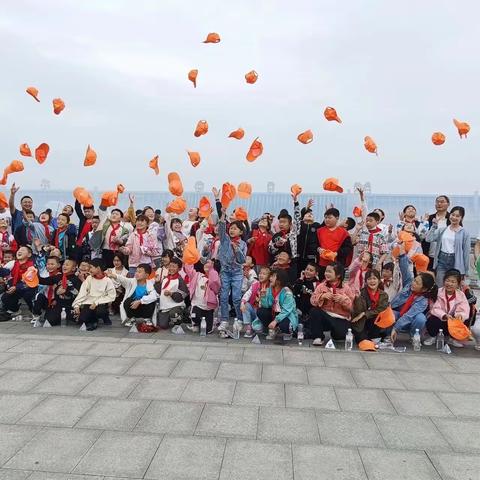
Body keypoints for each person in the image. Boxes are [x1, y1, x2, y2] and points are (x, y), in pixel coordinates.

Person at [390, 243, 438, 342]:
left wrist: (396, 328)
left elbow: (409, 316)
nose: (413, 283)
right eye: (415, 280)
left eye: (417, 283)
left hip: (409, 319)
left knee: (421, 319)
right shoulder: (408, 284)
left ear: (424, 289)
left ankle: (413, 336)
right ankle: (387, 334)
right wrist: (402, 252)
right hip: (398, 313)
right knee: (389, 314)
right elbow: (405, 269)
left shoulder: (423, 301)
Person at [309, 262, 356, 346]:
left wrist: (343, 299)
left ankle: (336, 334)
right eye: (326, 271)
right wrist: (322, 296)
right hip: (325, 315)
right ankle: (318, 337)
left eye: (330, 272)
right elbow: (312, 301)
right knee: (314, 311)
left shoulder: (346, 288)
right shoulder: (321, 286)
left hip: (340, 317)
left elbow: (352, 308)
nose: (326, 273)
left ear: (338, 275)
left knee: (340, 337)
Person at [217, 208, 247, 333]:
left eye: (235, 228)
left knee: (236, 297)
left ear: (241, 231)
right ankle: (224, 320)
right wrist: (223, 214)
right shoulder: (225, 239)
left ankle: (239, 320)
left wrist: (236, 249)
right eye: (231, 228)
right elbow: (221, 228)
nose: (232, 230)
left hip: (236, 273)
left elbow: (242, 260)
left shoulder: (243, 244)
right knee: (223, 296)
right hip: (225, 271)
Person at [423, 269, 470, 347]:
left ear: (458, 284)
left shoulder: (461, 295)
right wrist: (444, 315)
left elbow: (464, 309)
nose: (449, 284)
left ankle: (452, 339)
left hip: (452, 321)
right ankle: (433, 336)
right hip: (440, 319)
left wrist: (460, 315)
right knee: (433, 319)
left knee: (462, 320)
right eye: (447, 280)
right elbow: (434, 308)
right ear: (444, 281)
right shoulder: (438, 292)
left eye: (453, 282)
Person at [425, 206, 470, 286]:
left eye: (457, 216)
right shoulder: (443, 230)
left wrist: (466, 271)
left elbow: (466, 253)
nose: (454, 217)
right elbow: (428, 239)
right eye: (453, 215)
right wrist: (434, 226)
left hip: (455, 261)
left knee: (452, 287)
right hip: (441, 260)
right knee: (439, 286)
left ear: (461, 218)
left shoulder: (464, 232)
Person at [72, 258, 116, 330]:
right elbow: (82, 292)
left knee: (100, 311)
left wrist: (96, 302)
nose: (89, 270)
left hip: (101, 303)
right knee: (82, 319)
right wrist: (77, 305)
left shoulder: (107, 280)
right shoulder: (89, 278)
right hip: (89, 302)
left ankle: (105, 317)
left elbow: (111, 296)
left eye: (91, 267)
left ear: (98, 268)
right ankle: (93, 319)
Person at [34, 258, 81, 325]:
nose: (64, 266)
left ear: (73, 268)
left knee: (79, 320)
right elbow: (43, 281)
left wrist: (66, 291)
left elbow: (77, 293)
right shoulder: (58, 277)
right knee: (49, 320)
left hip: (70, 306)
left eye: (67, 265)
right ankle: (57, 316)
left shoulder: (76, 279)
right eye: (64, 264)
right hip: (58, 306)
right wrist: (35, 274)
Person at [351, 269, 391, 342]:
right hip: (361, 322)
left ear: (379, 281)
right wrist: (357, 298)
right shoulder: (362, 293)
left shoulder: (384, 295)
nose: (372, 281)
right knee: (362, 340)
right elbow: (358, 311)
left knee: (374, 339)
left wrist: (365, 313)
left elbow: (381, 309)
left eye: (374, 278)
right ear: (366, 281)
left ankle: (380, 335)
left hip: (375, 322)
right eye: (369, 279)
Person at [257, 268, 298, 339]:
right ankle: (272, 329)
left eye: (273, 276)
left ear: (279, 280)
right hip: (274, 313)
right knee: (261, 311)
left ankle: (288, 332)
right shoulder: (270, 289)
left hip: (286, 315)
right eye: (270, 276)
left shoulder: (287, 292)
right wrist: (263, 297)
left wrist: (275, 321)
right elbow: (267, 305)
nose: (270, 278)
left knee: (285, 325)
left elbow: (286, 311)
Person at [185, 259, 221, 334]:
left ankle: (210, 323)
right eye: (206, 263)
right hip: (197, 304)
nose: (206, 264)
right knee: (194, 316)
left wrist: (211, 270)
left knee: (208, 330)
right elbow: (189, 270)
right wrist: (190, 259)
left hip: (208, 307)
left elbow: (214, 284)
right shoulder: (198, 275)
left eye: (209, 263)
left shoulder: (215, 278)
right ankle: (196, 324)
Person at [0, 246, 36, 318]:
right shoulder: (13, 263)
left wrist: (16, 287)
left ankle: (34, 311)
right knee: (5, 297)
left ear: (29, 255)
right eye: (19, 250)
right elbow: (5, 273)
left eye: (22, 250)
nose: (19, 251)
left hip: (27, 287)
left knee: (28, 295)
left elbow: (29, 281)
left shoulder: (32, 265)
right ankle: (15, 310)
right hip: (14, 287)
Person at [316, 208, 353, 279]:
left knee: (337, 285)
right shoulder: (319, 231)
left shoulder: (344, 233)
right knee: (322, 285)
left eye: (330, 217)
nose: (327, 219)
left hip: (337, 264)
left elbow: (348, 248)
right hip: (322, 264)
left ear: (337, 218)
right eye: (326, 217)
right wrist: (319, 249)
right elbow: (314, 244)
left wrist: (336, 253)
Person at [154, 257, 189, 329]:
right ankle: (169, 318)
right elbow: (159, 291)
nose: (171, 268)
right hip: (165, 307)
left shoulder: (180, 280)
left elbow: (183, 295)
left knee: (174, 314)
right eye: (170, 266)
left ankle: (181, 318)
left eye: (174, 267)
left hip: (176, 305)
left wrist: (171, 294)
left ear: (179, 269)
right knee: (162, 325)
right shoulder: (165, 278)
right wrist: (157, 282)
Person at [241, 266, 271, 337]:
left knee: (258, 328)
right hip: (254, 308)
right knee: (245, 305)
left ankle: (265, 327)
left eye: (264, 274)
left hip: (263, 311)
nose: (261, 275)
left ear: (269, 276)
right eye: (260, 273)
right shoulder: (255, 284)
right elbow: (248, 293)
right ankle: (249, 327)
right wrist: (242, 302)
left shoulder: (270, 286)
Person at [422, 195, 450, 269]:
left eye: (442, 202)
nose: (439, 204)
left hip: (446, 256)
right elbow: (422, 235)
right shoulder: (430, 218)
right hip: (429, 255)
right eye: (437, 202)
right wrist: (423, 222)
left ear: (448, 204)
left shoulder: (452, 219)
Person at [31, 256, 62, 324]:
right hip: (46, 299)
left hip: (56, 301)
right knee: (38, 296)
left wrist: (35, 276)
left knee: (49, 319)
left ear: (58, 265)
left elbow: (47, 281)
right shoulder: (44, 274)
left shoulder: (60, 275)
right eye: (48, 264)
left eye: (52, 264)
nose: (50, 266)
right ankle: (36, 315)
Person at [298, 200, 321, 272]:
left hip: (311, 258)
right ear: (303, 217)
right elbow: (298, 217)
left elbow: (325, 226)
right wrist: (307, 208)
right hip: (298, 257)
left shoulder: (316, 226)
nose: (310, 214)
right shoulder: (299, 225)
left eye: (311, 214)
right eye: (307, 214)